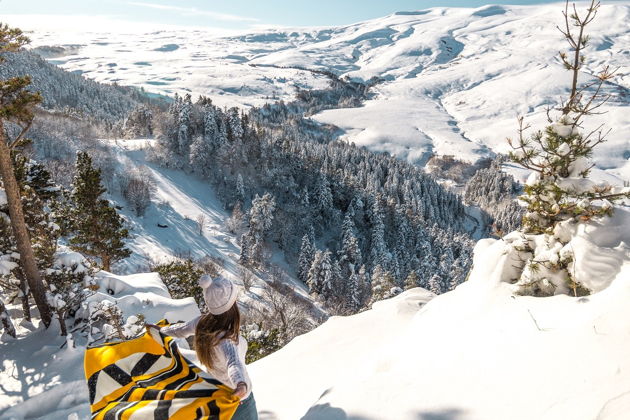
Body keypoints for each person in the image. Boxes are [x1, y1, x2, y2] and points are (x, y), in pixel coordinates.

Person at [160, 275, 257, 420]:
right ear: (232, 306)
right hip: (238, 400)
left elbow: (179, 330)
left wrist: (159, 330)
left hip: (215, 394)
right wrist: (241, 384)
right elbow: (233, 364)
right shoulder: (227, 340)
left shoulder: (202, 323)